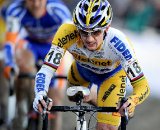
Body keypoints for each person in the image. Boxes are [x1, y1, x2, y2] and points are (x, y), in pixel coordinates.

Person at [33, 0, 150, 130]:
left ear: (107, 27)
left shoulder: (119, 43)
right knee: (73, 97)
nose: (89, 39)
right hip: (81, 73)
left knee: (106, 127)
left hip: (111, 76)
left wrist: (132, 101)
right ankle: (98, 99)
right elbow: (47, 69)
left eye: (96, 32)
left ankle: (108, 108)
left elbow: (142, 85)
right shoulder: (66, 32)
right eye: (83, 32)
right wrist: (40, 93)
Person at [3, 0, 72, 130]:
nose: (36, 5)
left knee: (55, 99)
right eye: (31, 0)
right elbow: (9, 44)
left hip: (55, 47)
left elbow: (71, 42)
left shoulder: (58, 9)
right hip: (30, 45)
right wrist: (9, 64)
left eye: (40, 0)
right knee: (23, 68)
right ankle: (22, 110)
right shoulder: (16, 9)